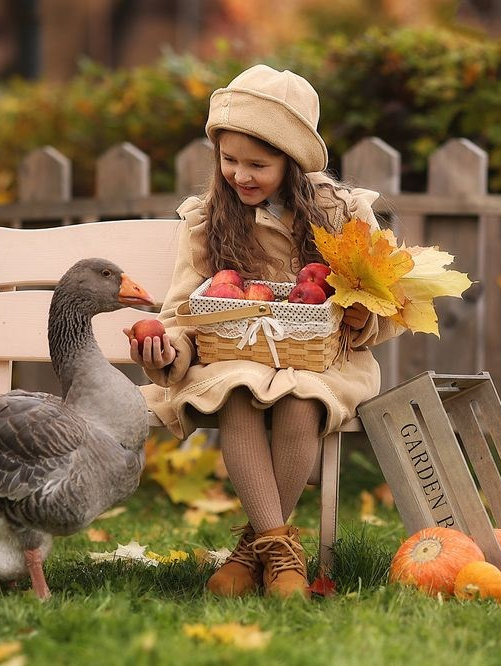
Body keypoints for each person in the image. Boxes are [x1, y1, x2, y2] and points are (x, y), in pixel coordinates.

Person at [125, 64, 403, 599]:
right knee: (237, 393)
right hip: (235, 355)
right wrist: (166, 351)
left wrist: (360, 315)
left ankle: (253, 550)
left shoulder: (342, 213)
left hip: (321, 360)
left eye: (259, 164)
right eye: (229, 160)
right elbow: (185, 310)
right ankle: (281, 554)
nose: (241, 175)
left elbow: (384, 301)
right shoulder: (208, 219)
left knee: (300, 401)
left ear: (293, 163)